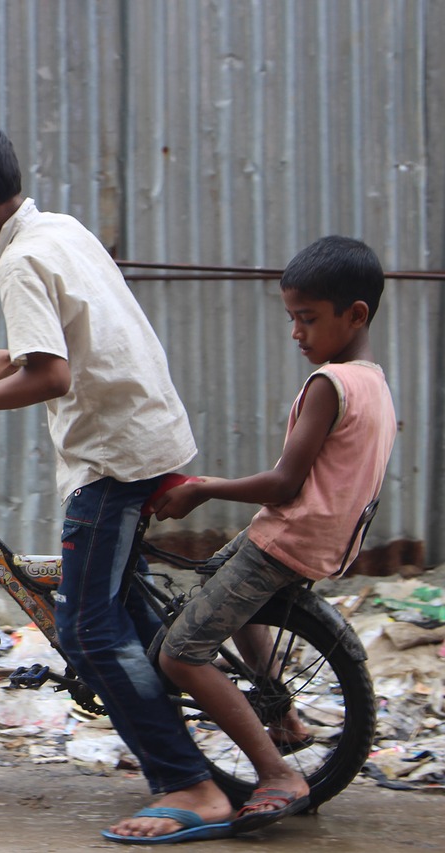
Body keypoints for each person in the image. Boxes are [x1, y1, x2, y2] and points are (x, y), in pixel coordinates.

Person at [0, 111, 235, 844]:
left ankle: (190, 783)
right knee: (121, 613)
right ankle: (228, 738)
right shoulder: (59, 228)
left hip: (110, 458)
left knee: (88, 628)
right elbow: (69, 336)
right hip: (150, 431)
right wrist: (2, 355)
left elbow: (52, 374)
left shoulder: (19, 260)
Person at [127, 235, 397, 839]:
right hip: (318, 540)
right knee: (213, 589)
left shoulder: (330, 384)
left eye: (308, 319)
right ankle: (283, 713)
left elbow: (283, 483)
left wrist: (203, 487)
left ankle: (277, 774)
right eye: (291, 318)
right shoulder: (373, 381)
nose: (297, 333)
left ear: (355, 315)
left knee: (179, 651)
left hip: (286, 537)